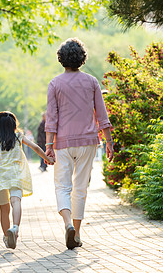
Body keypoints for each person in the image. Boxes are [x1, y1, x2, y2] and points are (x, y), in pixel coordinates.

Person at [45, 38, 114, 249]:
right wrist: (109, 141)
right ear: (82, 58)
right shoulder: (92, 82)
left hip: (62, 143)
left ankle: (67, 224)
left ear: (61, 59)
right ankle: (76, 234)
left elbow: (51, 117)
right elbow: (102, 115)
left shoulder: (55, 83)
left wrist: (49, 144)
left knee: (62, 186)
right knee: (81, 187)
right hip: (88, 142)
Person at [0, 111, 54, 249]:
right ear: (14, 125)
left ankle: (7, 238)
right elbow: (35, 147)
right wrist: (47, 158)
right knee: (16, 201)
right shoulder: (18, 137)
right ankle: (15, 228)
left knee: (4, 208)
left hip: (0, 177)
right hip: (15, 174)